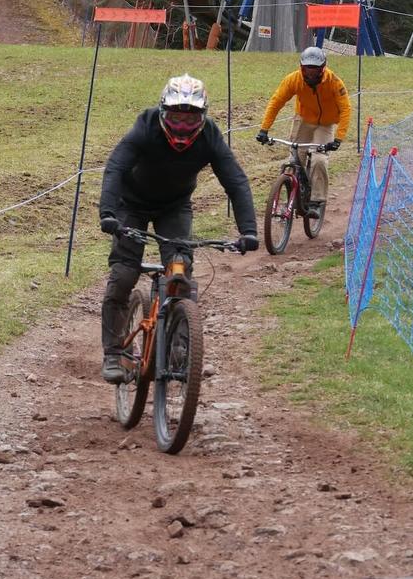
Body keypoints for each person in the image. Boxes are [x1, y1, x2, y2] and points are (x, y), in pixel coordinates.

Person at [99, 73, 258, 383]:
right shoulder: (145, 126)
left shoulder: (210, 136)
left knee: (180, 273)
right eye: (176, 117)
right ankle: (113, 353)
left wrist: (248, 230)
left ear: (203, 117)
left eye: (191, 119)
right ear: (162, 113)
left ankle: (180, 348)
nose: (182, 127)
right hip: (130, 205)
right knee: (124, 275)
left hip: (174, 206)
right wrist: (108, 214)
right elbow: (115, 166)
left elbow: (236, 181)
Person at [256, 46, 351, 217]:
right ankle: (289, 197)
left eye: (315, 70)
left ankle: (316, 200)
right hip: (304, 120)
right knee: (294, 158)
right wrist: (264, 129)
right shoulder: (293, 80)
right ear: (302, 67)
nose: (311, 74)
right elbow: (276, 101)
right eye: (308, 69)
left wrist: (338, 138)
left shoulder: (334, 82)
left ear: (323, 68)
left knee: (319, 160)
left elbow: (346, 109)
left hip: (326, 124)